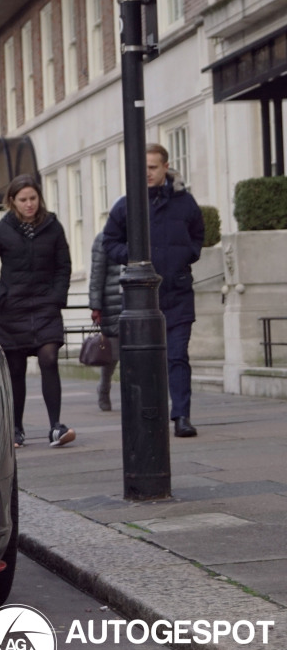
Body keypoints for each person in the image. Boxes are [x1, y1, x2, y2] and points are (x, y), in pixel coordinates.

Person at [102, 144, 204, 438]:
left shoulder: (185, 202)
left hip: (178, 291)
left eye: (153, 167)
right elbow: (110, 243)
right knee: (144, 360)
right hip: (141, 297)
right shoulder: (126, 205)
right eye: (142, 167)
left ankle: (181, 415)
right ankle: (148, 414)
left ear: (165, 168)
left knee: (177, 355)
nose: (147, 173)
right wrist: (133, 256)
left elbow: (198, 234)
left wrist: (187, 254)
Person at [0, 174, 75, 448]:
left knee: (49, 358)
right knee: (16, 370)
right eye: (23, 200)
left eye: (33, 198)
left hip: (45, 307)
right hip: (12, 310)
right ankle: (16, 429)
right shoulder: (0, 230)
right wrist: (0, 295)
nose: (29, 204)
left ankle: (56, 426)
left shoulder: (53, 227)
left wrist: (57, 297)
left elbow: (63, 266)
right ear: (12, 201)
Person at [88, 232, 123, 411]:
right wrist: (96, 306)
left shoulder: (142, 234)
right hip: (112, 303)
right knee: (112, 355)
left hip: (136, 300)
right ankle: (104, 388)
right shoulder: (104, 238)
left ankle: (133, 393)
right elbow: (97, 274)